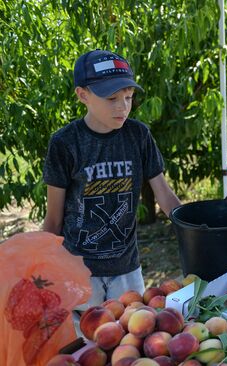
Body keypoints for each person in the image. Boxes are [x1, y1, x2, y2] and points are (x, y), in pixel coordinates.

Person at [42, 50, 181, 310]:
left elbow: (163, 194)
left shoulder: (138, 135)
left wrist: (195, 229)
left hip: (127, 269)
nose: (123, 106)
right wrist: (41, 268)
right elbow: (54, 219)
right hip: (79, 272)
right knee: (84, 345)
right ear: (83, 95)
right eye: (112, 98)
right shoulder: (65, 143)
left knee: (130, 340)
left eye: (128, 97)